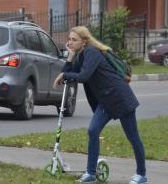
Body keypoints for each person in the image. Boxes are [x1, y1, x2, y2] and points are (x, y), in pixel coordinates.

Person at [53, 26, 147, 184]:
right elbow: (68, 76)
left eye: (74, 39)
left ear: (84, 41)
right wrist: (70, 57)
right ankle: (90, 174)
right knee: (93, 130)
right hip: (106, 101)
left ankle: (141, 175)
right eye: (69, 39)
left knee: (133, 137)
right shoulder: (80, 55)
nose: (70, 42)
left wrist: (64, 74)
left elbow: (83, 76)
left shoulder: (91, 52)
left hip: (120, 98)